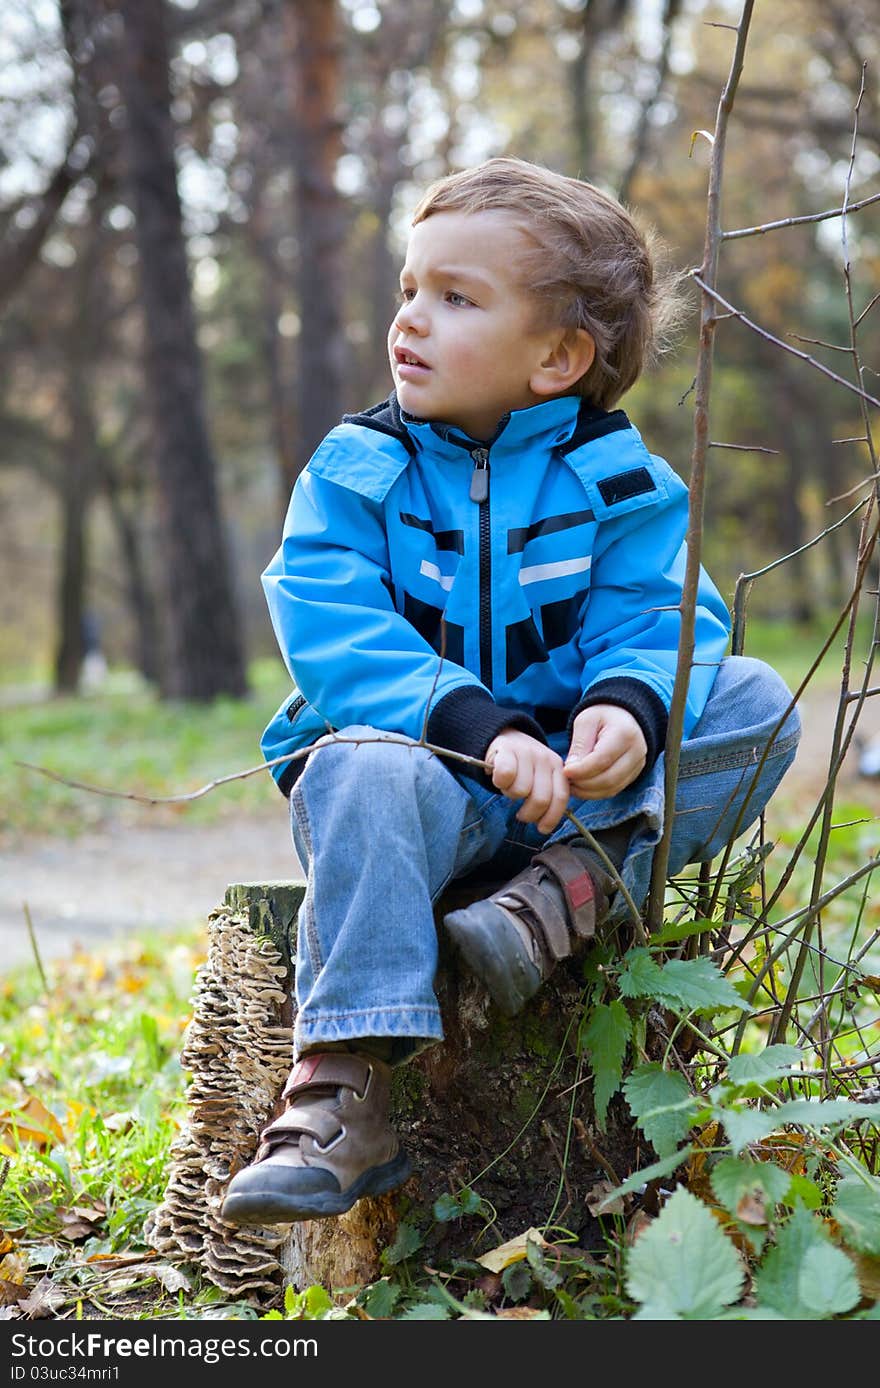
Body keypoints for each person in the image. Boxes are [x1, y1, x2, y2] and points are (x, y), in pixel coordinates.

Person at [221, 156, 801, 1227]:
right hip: (422, 780)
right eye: (408, 290)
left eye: (455, 297)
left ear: (558, 358)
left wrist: (625, 710)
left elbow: (663, 610)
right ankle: (344, 1088)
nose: (411, 320)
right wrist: (474, 728)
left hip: (568, 797)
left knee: (753, 703)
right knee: (351, 761)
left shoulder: (617, 479)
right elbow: (332, 622)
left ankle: (568, 889)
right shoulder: (358, 468)